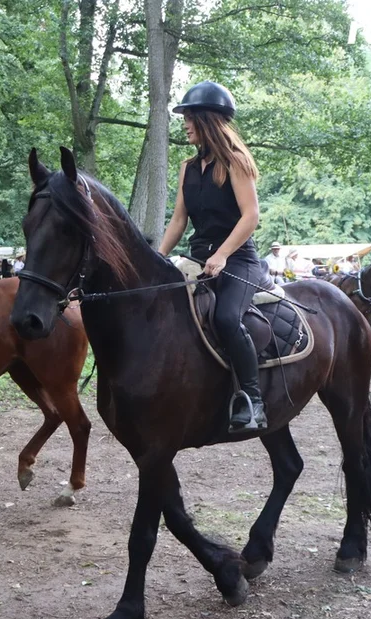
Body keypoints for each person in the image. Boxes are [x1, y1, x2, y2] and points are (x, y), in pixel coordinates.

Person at [157, 80, 267, 432]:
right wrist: (157, 257)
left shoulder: (235, 162)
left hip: (238, 260)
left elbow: (251, 216)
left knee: (226, 318)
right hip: (198, 258)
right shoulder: (187, 167)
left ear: (206, 120)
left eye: (189, 118)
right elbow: (178, 220)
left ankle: (252, 401)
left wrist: (221, 255)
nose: (185, 124)